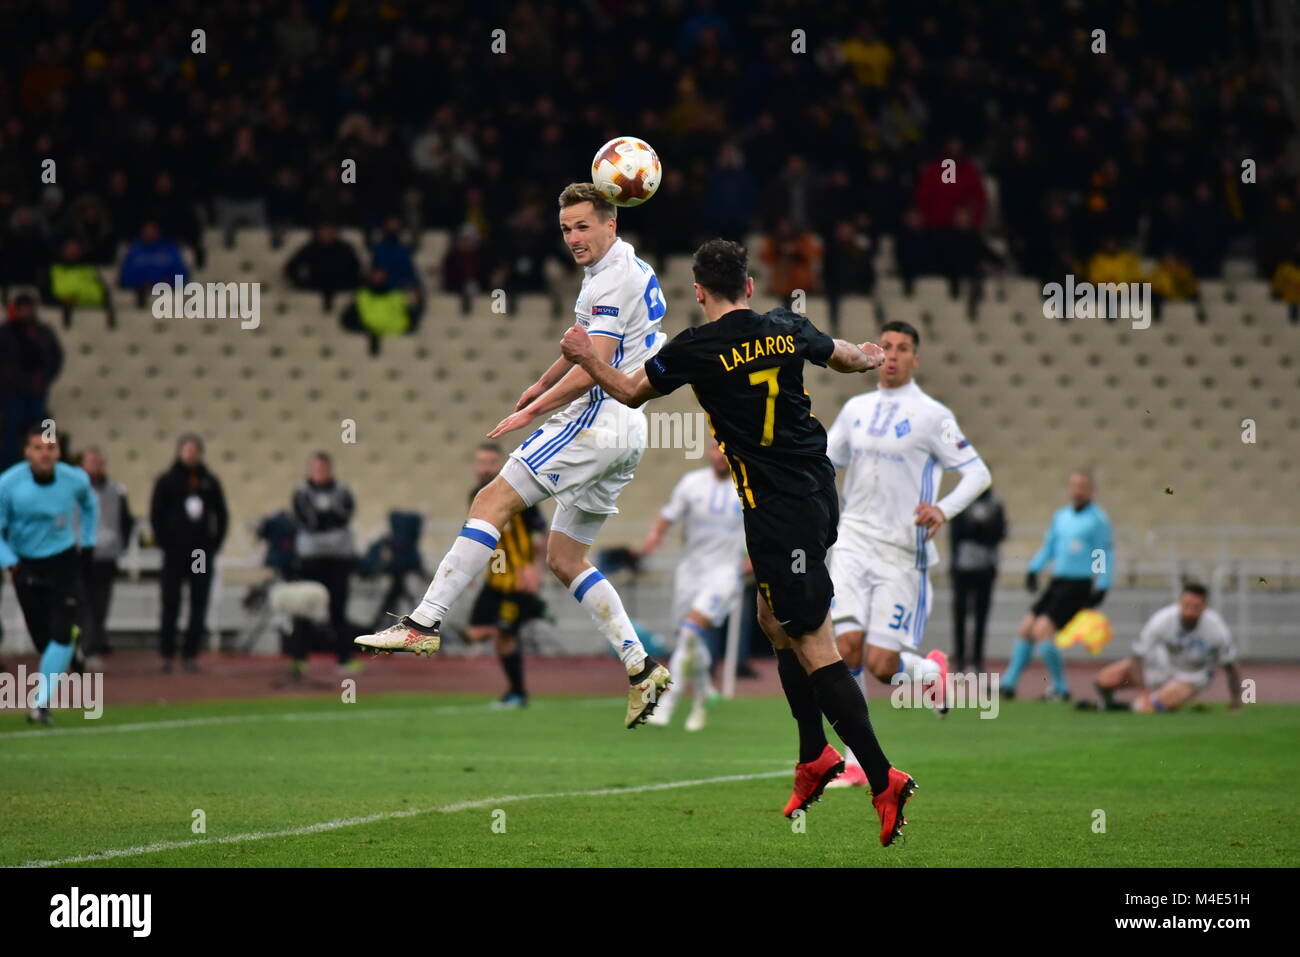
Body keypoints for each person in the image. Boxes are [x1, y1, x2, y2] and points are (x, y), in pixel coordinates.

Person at [560, 238, 916, 847]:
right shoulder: (785, 325)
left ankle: (883, 777)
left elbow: (626, 390)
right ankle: (814, 756)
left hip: (782, 510)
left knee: (811, 640)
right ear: (749, 286)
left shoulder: (694, 348)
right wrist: (870, 352)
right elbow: (849, 358)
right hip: (812, 492)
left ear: (698, 293)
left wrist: (582, 355)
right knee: (771, 618)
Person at [355, 183, 672, 730]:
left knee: (491, 499)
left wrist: (536, 409)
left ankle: (424, 623)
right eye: (566, 228)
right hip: (628, 431)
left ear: (611, 223)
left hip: (595, 418)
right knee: (565, 559)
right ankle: (640, 667)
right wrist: (538, 383)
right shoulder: (622, 269)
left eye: (583, 226)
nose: (573, 237)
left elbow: (591, 365)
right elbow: (579, 347)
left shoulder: (612, 277)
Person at [821, 319, 992, 788]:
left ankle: (928, 670)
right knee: (846, 650)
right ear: (876, 355)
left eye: (903, 349)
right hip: (854, 541)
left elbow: (978, 474)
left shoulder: (932, 415)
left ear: (916, 359)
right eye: (888, 347)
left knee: (880, 665)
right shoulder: (856, 408)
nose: (893, 356)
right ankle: (856, 761)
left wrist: (943, 508)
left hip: (901, 550)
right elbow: (825, 461)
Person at [640, 440, 746, 731]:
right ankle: (703, 695)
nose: (720, 454)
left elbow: (764, 526)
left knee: (689, 632)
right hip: (689, 572)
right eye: (715, 447)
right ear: (709, 452)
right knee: (689, 639)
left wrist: (754, 559)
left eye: (725, 448)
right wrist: (654, 537)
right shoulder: (692, 483)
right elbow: (668, 515)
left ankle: (666, 703)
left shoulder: (746, 486)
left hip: (723, 574)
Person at [0, 425, 98, 725]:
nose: (45, 454)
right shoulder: (8, 484)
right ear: (27, 452)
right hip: (25, 564)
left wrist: (89, 544)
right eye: (38, 448)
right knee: (45, 642)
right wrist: (11, 563)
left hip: (63, 560)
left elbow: (90, 505)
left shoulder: (75, 479)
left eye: (51, 448)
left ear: (58, 452)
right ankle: (71, 647)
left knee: (59, 632)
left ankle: (40, 704)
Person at [1003, 469, 1112, 701]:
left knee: (1042, 630)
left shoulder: (1097, 520)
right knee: (1026, 628)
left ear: (1091, 490)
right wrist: (1034, 569)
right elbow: (1050, 546)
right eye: (1074, 485)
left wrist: (1102, 583)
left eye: (1082, 486)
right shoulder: (1061, 516)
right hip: (1058, 581)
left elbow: (1102, 553)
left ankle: (1061, 688)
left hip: (1079, 583)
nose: (1077, 490)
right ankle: (1008, 684)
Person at [463, 442, 547, 708]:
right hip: (495, 578)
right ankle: (532, 614)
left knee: (505, 636)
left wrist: (535, 568)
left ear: (499, 465)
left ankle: (517, 693)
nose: (485, 468)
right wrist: (470, 567)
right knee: (475, 632)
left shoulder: (518, 491)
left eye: (491, 462)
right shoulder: (475, 495)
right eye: (481, 462)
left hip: (518, 581)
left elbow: (540, 531)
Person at [1077, 583, 1240, 714]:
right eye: (1187, 605)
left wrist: (1235, 702)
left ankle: (1122, 708)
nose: (1190, 611)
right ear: (1179, 603)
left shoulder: (1216, 629)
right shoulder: (1162, 620)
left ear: (1204, 607)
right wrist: (1143, 691)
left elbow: (1231, 666)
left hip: (1192, 675)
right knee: (1104, 679)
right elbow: (1137, 656)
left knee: (1148, 707)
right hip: (1160, 665)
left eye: (1196, 607)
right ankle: (1108, 704)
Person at [149, 434, 229, 672]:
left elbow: (221, 514)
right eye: (187, 450)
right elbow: (156, 515)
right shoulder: (166, 481)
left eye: (194, 450)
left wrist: (213, 545)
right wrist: (165, 542)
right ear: (180, 452)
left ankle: (190, 654)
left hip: (200, 553)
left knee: (198, 600)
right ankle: (166, 654)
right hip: (174, 552)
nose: (190, 454)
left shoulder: (209, 481)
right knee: (170, 602)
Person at [289, 452, 358, 677]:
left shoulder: (342, 491)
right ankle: (300, 659)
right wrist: (325, 518)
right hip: (310, 559)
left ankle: (344, 659)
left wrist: (325, 517)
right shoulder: (301, 492)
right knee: (305, 608)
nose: (321, 473)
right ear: (310, 470)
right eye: (317, 469)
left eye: (324, 469)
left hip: (339, 559)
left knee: (338, 609)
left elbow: (344, 516)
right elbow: (309, 521)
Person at [79, 447, 134, 666]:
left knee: (100, 605)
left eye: (99, 462)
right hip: (79, 556)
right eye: (91, 462)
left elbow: (126, 521)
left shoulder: (116, 491)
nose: (95, 467)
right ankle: (88, 648)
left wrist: (120, 546)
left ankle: (93, 644)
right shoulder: (73, 490)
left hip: (106, 558)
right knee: (83, 605)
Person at [949, 485, 1006, 673]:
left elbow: (1000, 533)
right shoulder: (961, 503)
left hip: (985, 568)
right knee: (960, 616)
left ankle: (977, 660)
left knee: (981, 617)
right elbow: (956, 534)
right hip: (962, 568)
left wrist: (982, 529)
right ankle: (959, 660)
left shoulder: (995, 506)